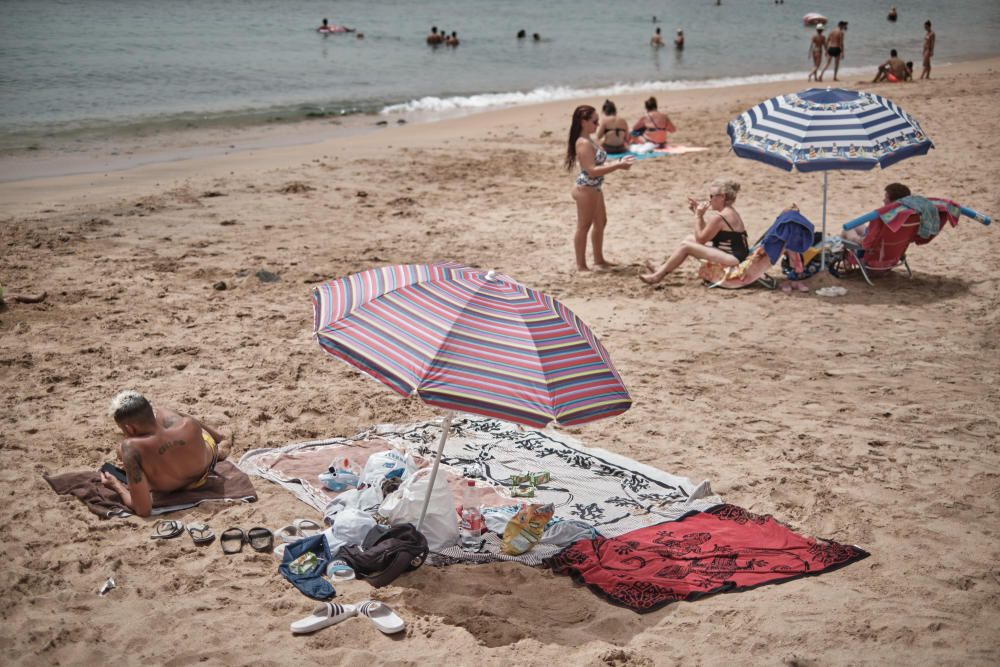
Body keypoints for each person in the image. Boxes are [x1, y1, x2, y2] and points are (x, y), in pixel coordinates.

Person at [100, 390, 229, 517]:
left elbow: (143, 510)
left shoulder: (131, 449)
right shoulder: (188, 424)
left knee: (121, 450)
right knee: (164, 413)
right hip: (204, 469)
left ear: (129, 428)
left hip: (169, 487)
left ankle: (222, 442)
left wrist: (116, 485)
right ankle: (221, 438)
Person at [640, 178, 748, 285]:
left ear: (722, 197)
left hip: (733, 259)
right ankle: (662, 268)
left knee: (686, 246)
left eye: (712, 196)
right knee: (689, 239)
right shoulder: (729, 212)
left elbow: (701, 239)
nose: (709, 200)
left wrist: (698, 216)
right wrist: (698, 215)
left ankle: (658, 276)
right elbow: (708, 234)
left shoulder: (721, 217)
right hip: (733, 254)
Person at [566, 105, 635, 272]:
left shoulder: (590, 140)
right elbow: (590, 170)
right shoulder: (583, 143)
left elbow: (599, 164)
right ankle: (581, 266)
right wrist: (617, 166)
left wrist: (618, 161)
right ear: (583, 122)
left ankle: (598, 260)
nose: (598, 125)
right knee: (584, 226)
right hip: (585, 189)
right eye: (594, 121)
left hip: (594, 187)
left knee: (601, 222)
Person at [842, 183, 911, 243]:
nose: (883, 200)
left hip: (872, 251)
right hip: (895, 248)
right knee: (856, 226)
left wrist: (856, 239)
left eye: (886, 197)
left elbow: (867, 242)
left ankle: (839, 252)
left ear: (893, 203)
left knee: (846, 230)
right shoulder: (909, 216)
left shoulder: (881, 218)